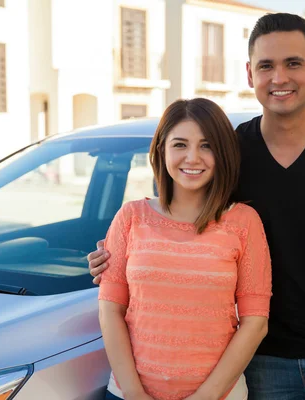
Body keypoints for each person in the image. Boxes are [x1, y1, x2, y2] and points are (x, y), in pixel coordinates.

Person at [92, 13, 305, 400]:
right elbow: (180, 226)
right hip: (260, 357)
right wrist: (115, 261)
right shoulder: (231, 153)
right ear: (249, 74)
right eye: (266, 66)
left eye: (293, 63)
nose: (279, 78)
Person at [98, 98, 272, 400]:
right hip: (128, 394)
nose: (193, 157)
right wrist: (135, 394)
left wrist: (204, 397)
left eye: (207, 146)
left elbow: (255, 323)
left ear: (223, 154)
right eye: (180, 145)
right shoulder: (131, 217)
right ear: (161, 149)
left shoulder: (244, 222)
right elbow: (110, 310)